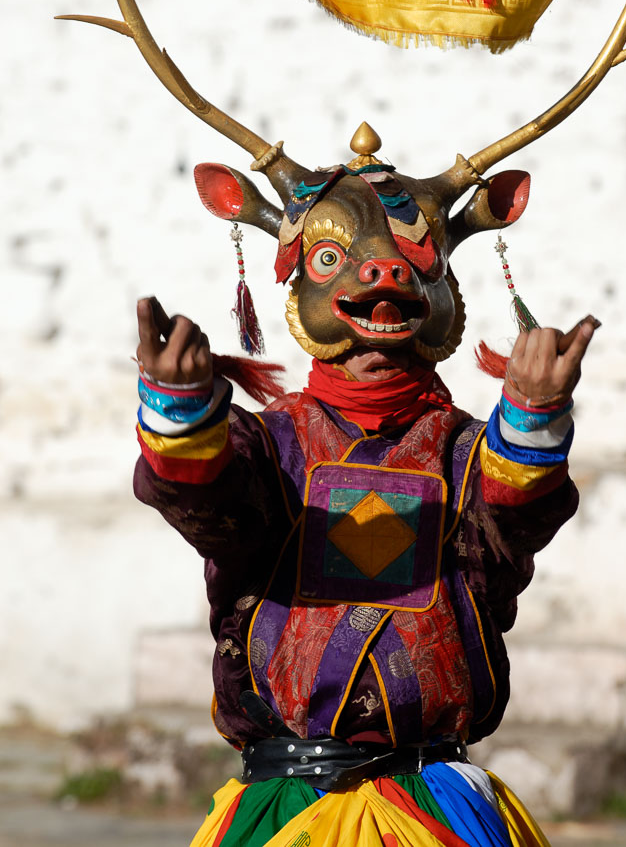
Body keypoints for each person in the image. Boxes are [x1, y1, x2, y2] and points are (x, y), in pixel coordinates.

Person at [133, 149, 598, 847]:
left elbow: (515, 517)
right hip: (288, 807)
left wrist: (532, 418)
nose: (379, 283)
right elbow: (212, 502)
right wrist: (182, 411)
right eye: (332, 263)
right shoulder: (270, 446)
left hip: (433, 807)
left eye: (414, 264)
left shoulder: (472, 454)